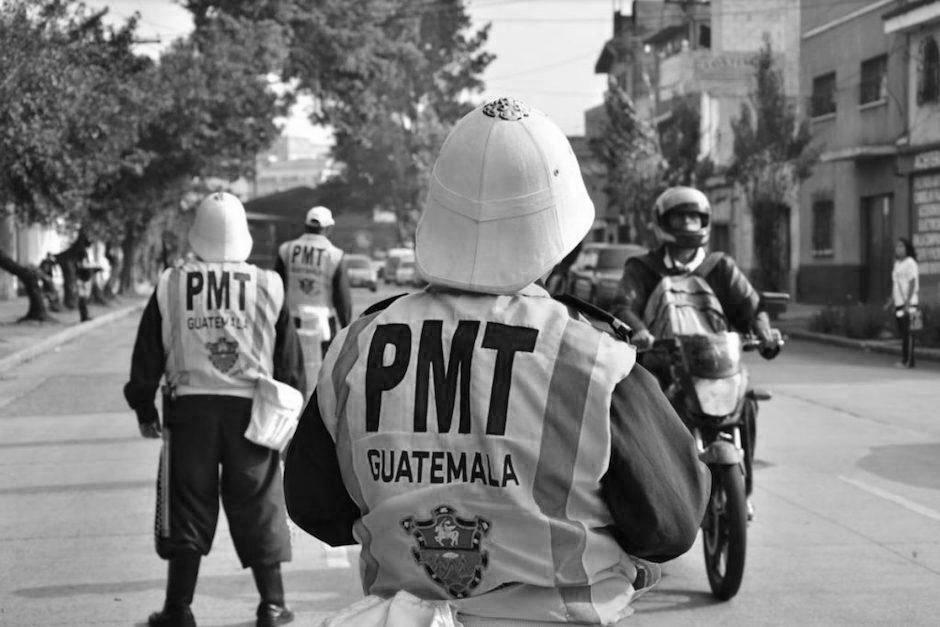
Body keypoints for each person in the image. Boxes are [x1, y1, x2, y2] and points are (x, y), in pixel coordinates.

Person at [283, 97, 709, 626]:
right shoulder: (595, 358)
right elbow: (672, 525)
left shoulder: (356, 348)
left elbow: (315, 508)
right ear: (564, 239)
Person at [124, 192, 304, 627]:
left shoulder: (171, 284)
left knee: (187, 505)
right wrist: (292, 416)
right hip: (252, 412)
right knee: (258, 503)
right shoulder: (268, 284)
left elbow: (147, 354)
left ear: (197, 233)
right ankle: (272, 605)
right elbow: (291, 364)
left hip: (190, 414)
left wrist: (144, 407)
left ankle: (178, 609)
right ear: (242, 234)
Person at [609, 185, 782, 516]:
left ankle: (742, 492)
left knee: (746, 403)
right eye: (679, 217)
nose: (688, 224)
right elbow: (623, 304)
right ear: (663, 222)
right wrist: (640, 331)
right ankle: (645, 501)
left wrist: (765, 333)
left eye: (694, 217)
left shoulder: (721, 268)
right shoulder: (643, 268)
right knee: (635, 417)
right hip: (664, 365)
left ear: (704, 222)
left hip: (717, 366)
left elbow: (752, 307)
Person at [275, 205, 352, 393]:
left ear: (306, 226)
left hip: (291, 324)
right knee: (323, 376)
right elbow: (342, 298)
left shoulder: (286, 250)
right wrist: (347, 326)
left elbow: (277, 287)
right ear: (328, 228)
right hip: (323, 327)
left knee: (290, 373)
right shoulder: (334, 255)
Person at [887, 237, 919, 368]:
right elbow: (896, 284)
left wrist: (907, 302)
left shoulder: (910, 262)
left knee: (910, 332)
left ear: (907, 248)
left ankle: (909, 361)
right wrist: (891, 301)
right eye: (897, 246)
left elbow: (913, 282)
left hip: (910, 303)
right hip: (899, 303)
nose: (898, 249)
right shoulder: (897, 264)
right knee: (903, 332)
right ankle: (905, 359)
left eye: (901, 246)